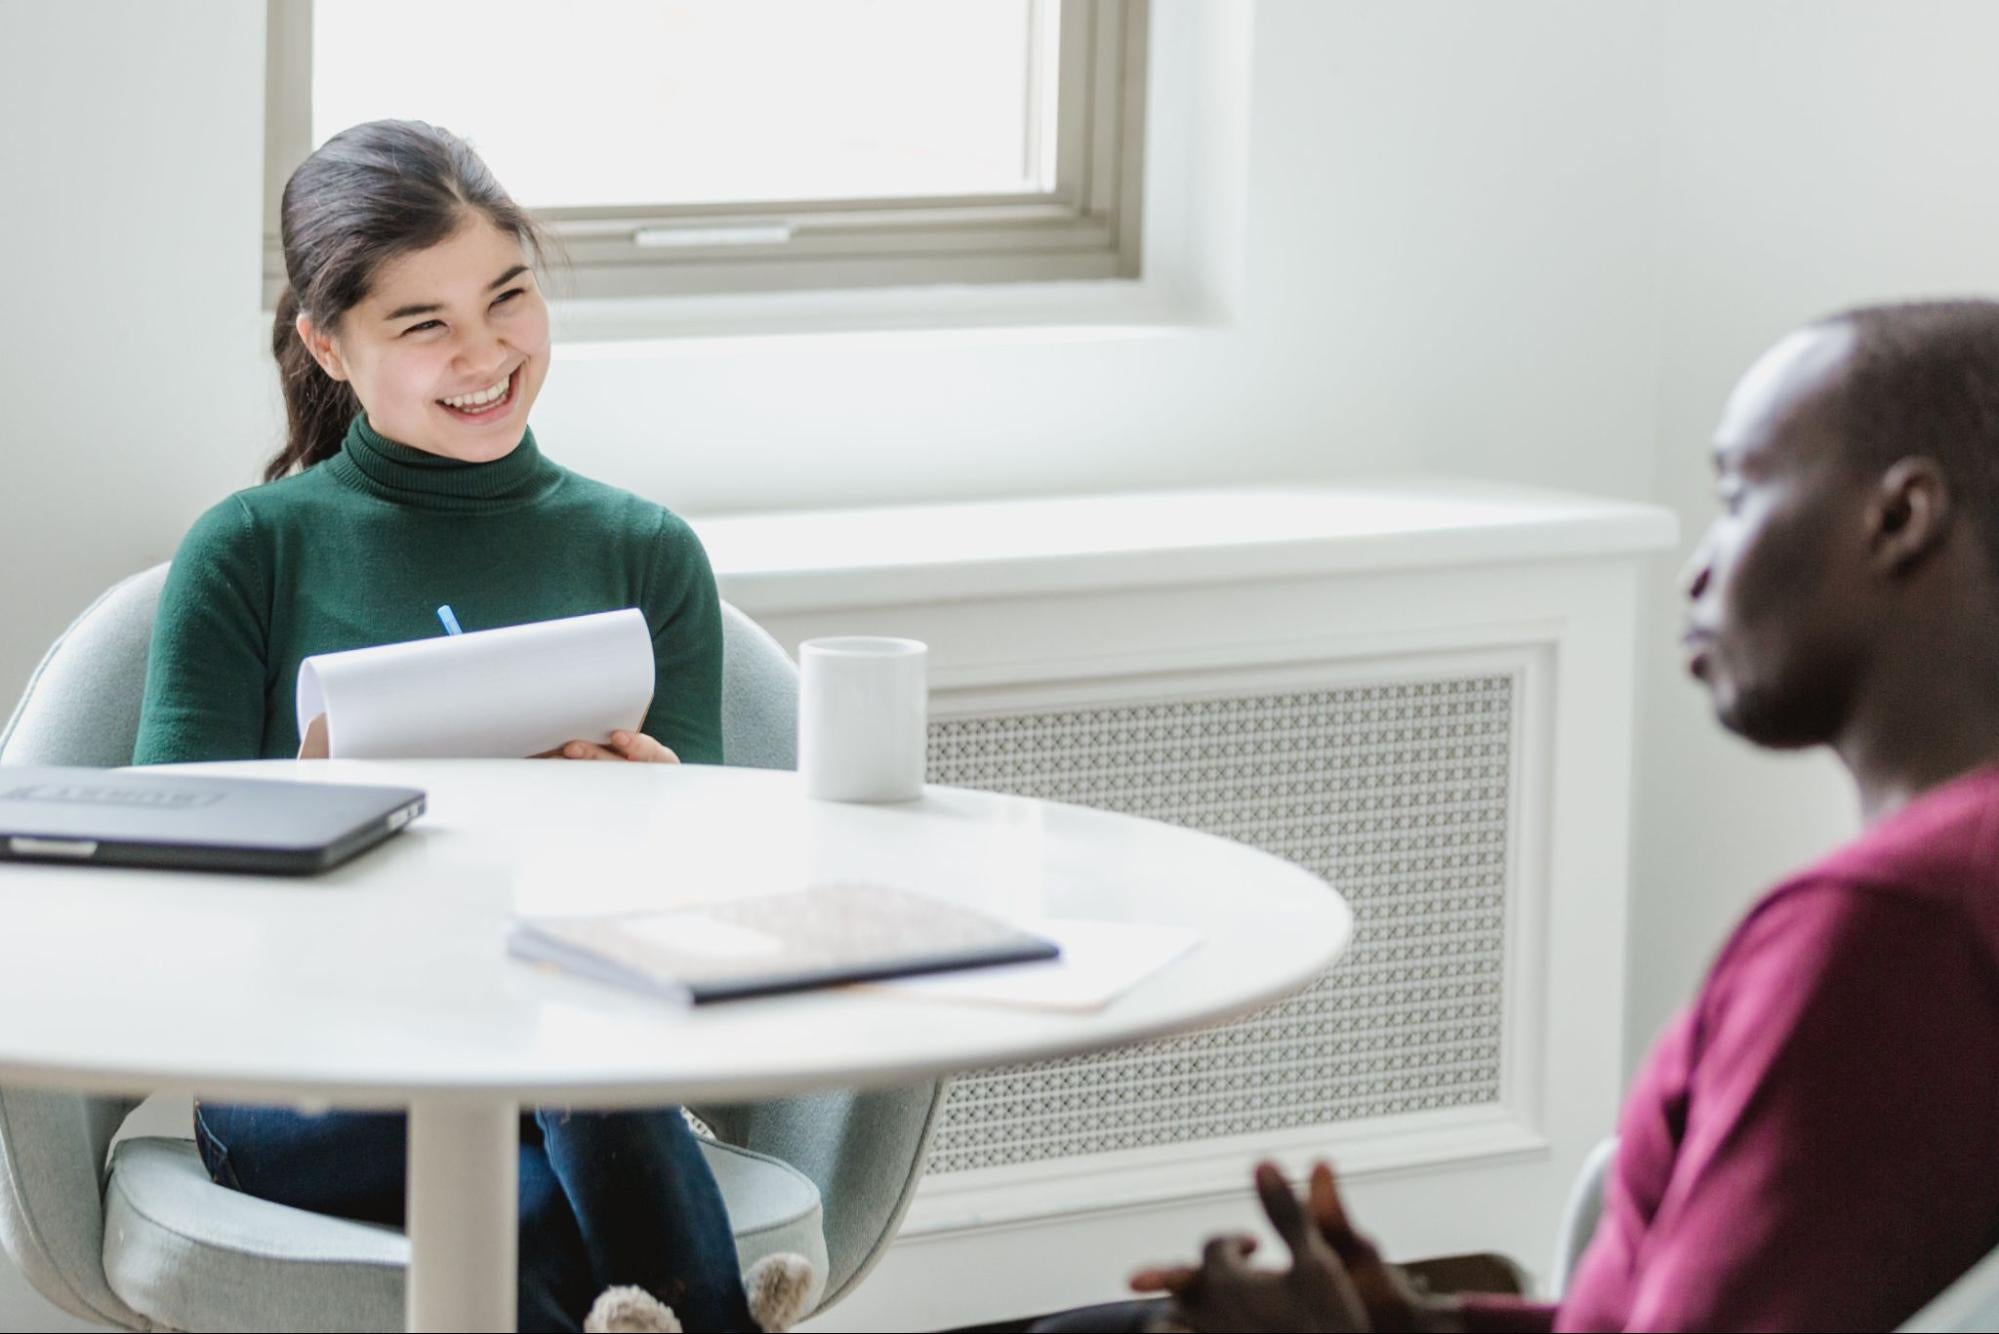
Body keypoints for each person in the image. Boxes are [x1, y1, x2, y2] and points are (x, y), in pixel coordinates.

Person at [1042, 300, 1999, 1333]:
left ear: (1899, 518)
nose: (1699, 567)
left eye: (1738, 493)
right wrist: (1421, 1323)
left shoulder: (1891, 930)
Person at [132, 119, 808, 1334]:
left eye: (508, 298)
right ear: (327, 346)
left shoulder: (644, 552)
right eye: (423, 322)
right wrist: (303, 801)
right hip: (306, 1067)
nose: (487, 352)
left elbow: (706, 921)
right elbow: (152, 894)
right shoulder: (250, 549)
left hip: (571, 1045)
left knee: (560, 1121)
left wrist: (659, 815)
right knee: (540, 1165)